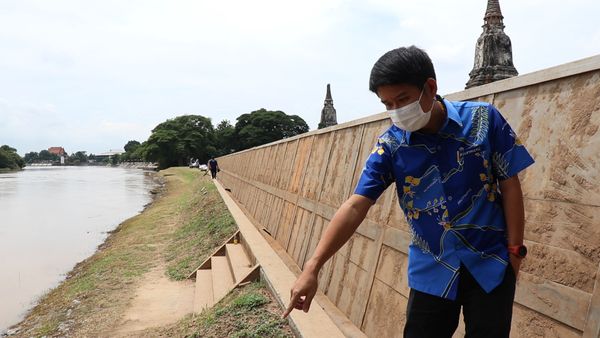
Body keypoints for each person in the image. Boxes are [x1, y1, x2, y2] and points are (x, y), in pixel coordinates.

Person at [283, 46, 534, 338]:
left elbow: (509, 183)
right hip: (432, 271)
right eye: (387, 104)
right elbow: (355, 205)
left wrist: (515, 251)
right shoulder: (390, 146)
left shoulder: (483, 121)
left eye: (402, 99)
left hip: (490, 264)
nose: (396, 111)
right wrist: (312, 267)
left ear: (430, 87)